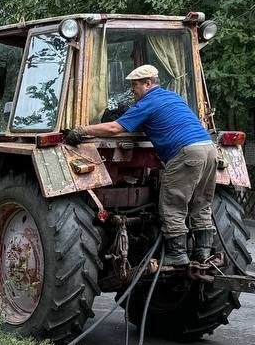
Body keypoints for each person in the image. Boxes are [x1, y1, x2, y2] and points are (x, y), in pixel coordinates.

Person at [65, 64, 216, 268]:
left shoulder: (147, 102)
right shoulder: (173, 98)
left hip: (186, 153)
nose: (132, 90)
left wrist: (82, 130)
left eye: (135, 85)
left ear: (148, 83)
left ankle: (178, 255)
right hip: (208, 149)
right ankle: (202, 254)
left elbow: (114, 127)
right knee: (200, 203)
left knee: (172, 205)